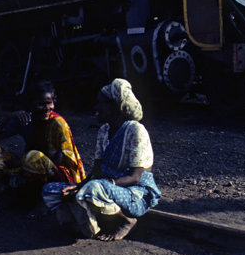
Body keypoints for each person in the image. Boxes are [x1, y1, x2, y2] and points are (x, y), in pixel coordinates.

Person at [42, 78, 161, 241]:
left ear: (114, 107)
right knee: (51, 190)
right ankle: (88, 224)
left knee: (93, 189)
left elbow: (135, 177)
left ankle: (125, 220)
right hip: (105, 187)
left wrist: (103, 184)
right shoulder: (104, 130)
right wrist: (77, 187)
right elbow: (97, 171)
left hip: (134, 192)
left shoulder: (135, 130)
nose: (96, 108)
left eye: (100, 103)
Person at [0, 80, 84, 200]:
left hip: (56, 175)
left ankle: (31, 194)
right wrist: (7, 118)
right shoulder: (26, 119)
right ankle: (17, 188)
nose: (46, 108)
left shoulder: (58, 123)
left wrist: (25, 164)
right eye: (41, 104)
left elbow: (64, 157)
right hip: (30, 168)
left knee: (33, 157)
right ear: (30, 104)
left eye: (49, 103)